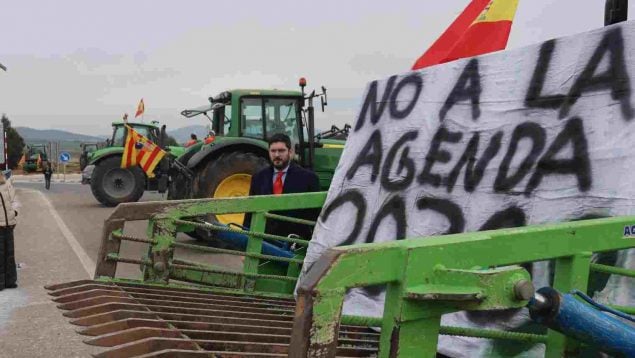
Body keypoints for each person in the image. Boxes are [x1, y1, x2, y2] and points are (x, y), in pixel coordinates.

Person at [244, 133, 320, 240]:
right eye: (273, 151)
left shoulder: (309, 179)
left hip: (295, 243)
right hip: (264, 242)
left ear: (290, 152)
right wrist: (245, 245)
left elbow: (315, 217)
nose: (277, 155)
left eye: (281, 150)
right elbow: (249, 214)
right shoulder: (258, 178)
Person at [0, 171, 18, 290]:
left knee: (10, 254)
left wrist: (15, 212)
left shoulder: (6, 183)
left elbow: (14, 200)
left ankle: (10, 281)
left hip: (9, 224)